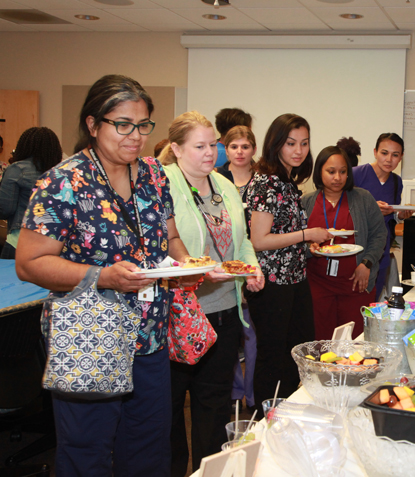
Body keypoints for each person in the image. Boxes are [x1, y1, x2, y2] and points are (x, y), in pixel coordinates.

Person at [16, 74, 199, 475]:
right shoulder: (63, 182)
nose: (135, 136)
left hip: (148, 335)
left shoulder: (153, 175)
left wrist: (185, 264)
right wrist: (103, 276)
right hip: (90, 335)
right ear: (93, 124)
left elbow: (169, 235)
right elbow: (29, 263)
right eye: (123, 124)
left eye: (143, 125)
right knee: (88, 453)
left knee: (149, 450)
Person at [159, 111, 264, 475]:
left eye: (212, 145)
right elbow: (161, 246)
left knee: (214, 404)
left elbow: (243, 240)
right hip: (179, 313)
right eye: (199, 146)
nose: (209, 153)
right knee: (170, 408)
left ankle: (208, 470)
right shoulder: (163, 184)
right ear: (176, 148)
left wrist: (251, 267)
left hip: (222, 308)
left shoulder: (223, 184)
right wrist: (198, 270)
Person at [245, 113, 332, 410]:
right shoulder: (267, 182)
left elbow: (283, 235)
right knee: (274, 357)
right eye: (291, 143)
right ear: (276, 143)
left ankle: (284, 415)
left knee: (298, 351)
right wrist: (307, 234)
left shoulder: (287, 180)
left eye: (304, 143)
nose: (299, 150)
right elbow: (260, 240)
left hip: (294, 278)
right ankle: (265, 421)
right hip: (271, 283)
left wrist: (308, 244)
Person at [302, 146, 387, 340]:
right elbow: (296, 238)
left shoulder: (363, 198)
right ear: (319, 172)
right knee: (320, 341)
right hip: (317, 285)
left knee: (354, 342)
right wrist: (309, 249)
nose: (337, 178)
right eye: (331, 172)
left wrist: (367, 263)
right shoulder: (306, 201)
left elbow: (379, 235)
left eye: (343, 172)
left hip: (356, 284)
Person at [215, 124, 258, 413]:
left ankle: (252, 393)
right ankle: (233, 390)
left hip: (257, 264)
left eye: (245, 146)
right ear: (226, 149)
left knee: (253, 334)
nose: (240, 152)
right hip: (224, 265)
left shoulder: (263, 180)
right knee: (229, 335)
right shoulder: (215, 179)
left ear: (253, 148)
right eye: (234, 147)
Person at [353, 133, 415, 299]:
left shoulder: (396, 182)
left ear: (401, 157)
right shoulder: (356, 175)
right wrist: (371, 209)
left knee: (373, 299)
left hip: (382, 249)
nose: (389, 159)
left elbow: (391, 218)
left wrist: (400, 216)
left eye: (395, 155)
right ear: (375, 152)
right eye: (384, 153)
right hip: (357, 248)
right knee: (354, 301)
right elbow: (343, 209)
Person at [0, 127, 63, 259]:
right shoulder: (62, 171)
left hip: (20, 240)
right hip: (54, 242)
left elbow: (5, 209)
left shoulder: (17, 169)